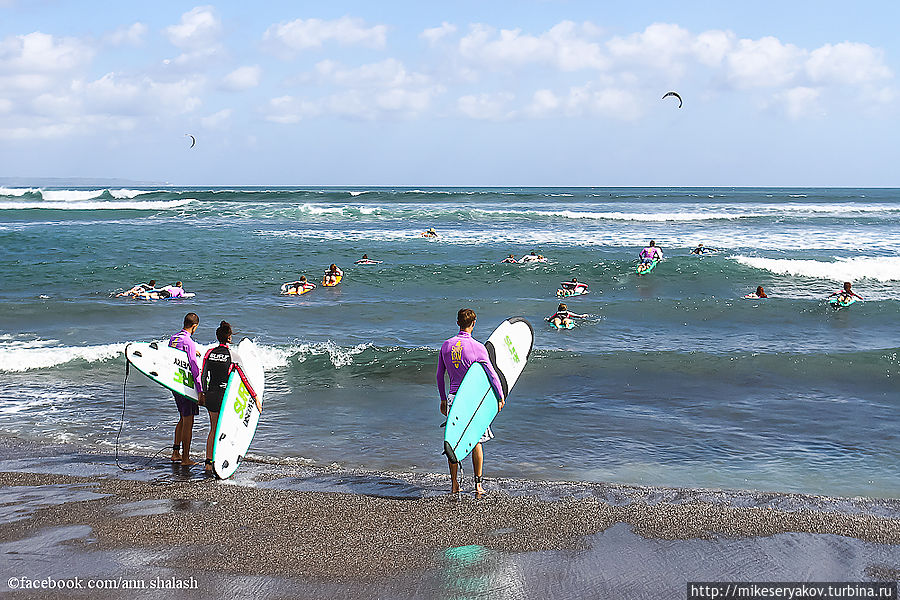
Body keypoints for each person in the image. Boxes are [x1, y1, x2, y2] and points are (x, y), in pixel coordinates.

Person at [436, 308, 505, 497]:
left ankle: (454, 484)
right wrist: (500, 397)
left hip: (453, 399)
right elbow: (492, 375)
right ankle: (478, 485)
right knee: (475, 442)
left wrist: (443, 399)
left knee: (453, 439)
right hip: (472, 401)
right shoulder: (478, 348)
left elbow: (439, 376)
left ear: (457, 322)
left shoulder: (446, 345)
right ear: (474, 324)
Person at [201, 321, 257, 473]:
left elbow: (203, 375)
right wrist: (255, 397)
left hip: (211, 395)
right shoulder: (233, 356)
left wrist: (203, 393)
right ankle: (222, 463)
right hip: (225, 398)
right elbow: (245, 379)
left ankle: (208, 463)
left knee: (213, 429)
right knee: (227, 430)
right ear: (229, 338)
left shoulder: (209, 353)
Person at [169, 313, 205, 466]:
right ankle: (185, 459)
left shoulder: (174, 338)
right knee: (189, 420)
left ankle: (176, 452)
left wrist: (193, 351)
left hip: (174, 383)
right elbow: (194, 368)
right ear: (194, 326)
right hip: (185, 385)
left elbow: (175, 355)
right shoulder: (188, 342)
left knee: (183, 418)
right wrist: (200, 390)